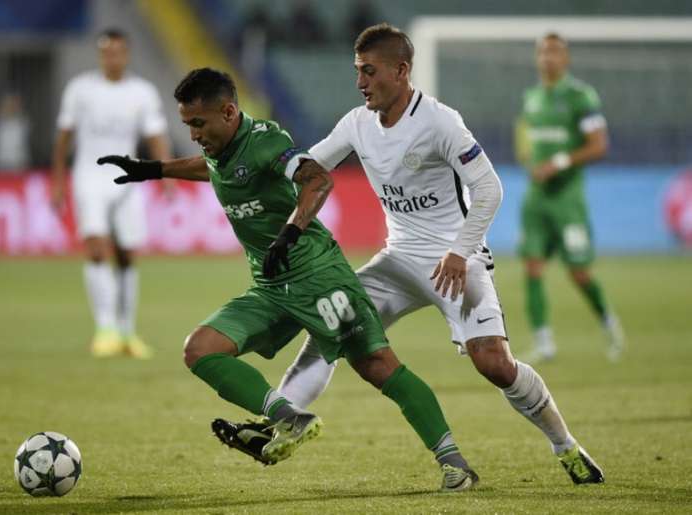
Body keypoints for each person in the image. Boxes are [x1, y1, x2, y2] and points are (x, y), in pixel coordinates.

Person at [212, 23, 604, 486]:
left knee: (494, 363)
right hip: (397, 261)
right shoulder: (357, 124)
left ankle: (565, 446)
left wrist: (460, 252)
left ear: (400, 71)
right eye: (356, 71)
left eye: (369, 71)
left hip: (455, 263)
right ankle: (280, 423)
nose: (360, 82)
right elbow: (303, 170)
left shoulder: (440, 122)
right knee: (330, 328)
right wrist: (236, 166)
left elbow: (489, 188)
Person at [99, 67, 479, 492]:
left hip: (318, 275)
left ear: (228, 112)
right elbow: (213, 167)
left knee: (375, 365)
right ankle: (288, 417)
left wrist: (291, 231)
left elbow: (319, 178)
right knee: (200, 350)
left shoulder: (267, 142)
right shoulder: (219, 145)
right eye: (187, 124)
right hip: (270, 285)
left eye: (198, 124)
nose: (192, 134)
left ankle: (454, 462)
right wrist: (153, 168)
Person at [51, 28, 170, 359]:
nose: (112, 57)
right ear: (100, 54)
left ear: (127, 54)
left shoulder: (142, 92)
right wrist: (58, 180)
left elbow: (155, 135)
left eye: (118, 52)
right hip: (89, 177)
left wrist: (167, 174)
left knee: (128, 254)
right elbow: (64, 137)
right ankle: (105, 329)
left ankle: (127, 331)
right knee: (97, 247)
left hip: (127, 179)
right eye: (106, 52)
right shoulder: (80, 89)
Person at [518, 33, 624, 363]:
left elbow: (599, 145)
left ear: (566, 58)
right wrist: (529, 158)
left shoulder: (581, 96)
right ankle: (544, 341)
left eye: (554, 52)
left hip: (567, 199)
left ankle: (609, 322)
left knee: (578, 272)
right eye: (542, 52)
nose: (547, 58)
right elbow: (527, 137)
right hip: (537, 199)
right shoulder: (532, 97)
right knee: (532, 266)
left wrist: (559, 162)